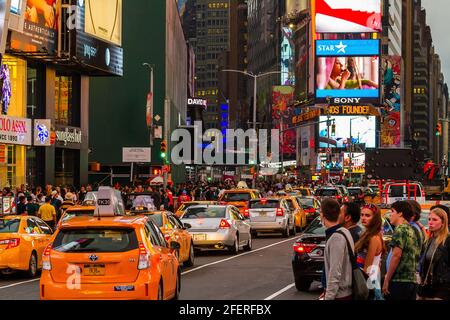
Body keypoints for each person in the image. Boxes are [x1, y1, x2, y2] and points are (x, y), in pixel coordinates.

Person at [383, 201, 420, 300]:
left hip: (399, 280)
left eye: (392, 211)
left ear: (400, 213)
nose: (390, 214)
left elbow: (396, 256)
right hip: (411, 280)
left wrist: (387, 279)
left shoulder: (400, 229)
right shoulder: (411, 229)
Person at [321, 198, 354, 300]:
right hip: (341, 292)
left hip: (340, 295)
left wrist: (329, 296)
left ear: (322, 215)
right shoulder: (344, 231)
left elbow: (335, 272)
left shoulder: (336, 237)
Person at [418, 208, 450, 300]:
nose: (430, 222)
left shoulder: (447, 240)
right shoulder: (429, 240)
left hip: (443, 285)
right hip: (427, 284)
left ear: (443, 223)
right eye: (429, 219)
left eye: (434, 219)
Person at [355, 203, 386, 300]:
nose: (363, 218)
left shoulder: (374, 237)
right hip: (368, 277)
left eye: (367, 215)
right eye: (362, 215)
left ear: (375, 218)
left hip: (369, 279)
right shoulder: (367, 233)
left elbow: (367, 266)